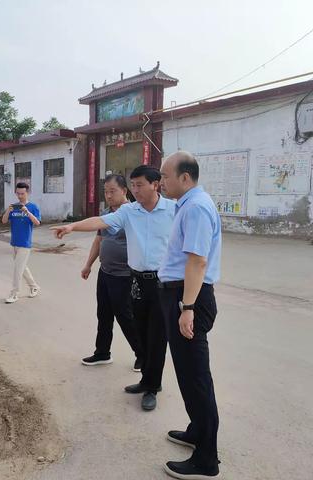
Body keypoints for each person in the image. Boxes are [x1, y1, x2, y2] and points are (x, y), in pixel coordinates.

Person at [52, 165, 175, 411]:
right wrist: (72, 227)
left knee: (157, 338)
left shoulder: (174, 210)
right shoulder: (129, 211)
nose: (135, 190)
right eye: (133, 185)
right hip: (137, 280)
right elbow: (101, 222)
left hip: (164, 283)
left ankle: (153, 386)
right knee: (140, 331)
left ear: (155, 184)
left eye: (140, 185)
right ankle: (145, 380)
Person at [158, 151, 222, 479]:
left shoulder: (196, 207)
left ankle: (206, 460)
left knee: (197, 377)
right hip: (182, 295)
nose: (161, 182)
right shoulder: (187, 204)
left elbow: (197, 262)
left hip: (189, 298)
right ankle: (197, 431)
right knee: (186, 372)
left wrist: (187, 308)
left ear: (185, 177)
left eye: (165, 176)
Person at [80, 174, 143, 371]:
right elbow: (99, 240)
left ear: (125, 191)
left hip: (125, 276)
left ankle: (142, 354)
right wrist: (88, 264)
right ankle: (102, 353)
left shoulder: (134, 213)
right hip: (105, 273)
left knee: (126, 317)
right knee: (104, 314)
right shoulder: (106, 213)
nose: (108, 195)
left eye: (112, 191)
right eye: (105, 191)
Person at [1, 182, 41, 304]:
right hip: (14, 243)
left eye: (22, 194)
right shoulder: (14, 207)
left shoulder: (33, 207)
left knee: (18, 269)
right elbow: (3, 221)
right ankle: (34, 286)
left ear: (27, 193)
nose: (20, 196)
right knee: (22, 268)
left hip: (25, 243)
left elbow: (37, 223)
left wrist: (27, 212)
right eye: (18, 194)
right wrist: (8, 210)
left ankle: (14, 294)